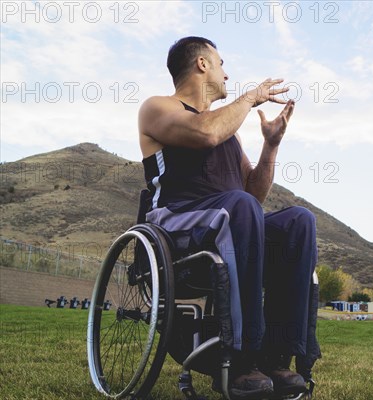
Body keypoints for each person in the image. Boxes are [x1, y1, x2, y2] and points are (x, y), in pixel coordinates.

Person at [138, 36, 317, 399]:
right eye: (221, 63)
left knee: (299, 221)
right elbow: (205, 133)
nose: (226, 72)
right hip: (177, 224)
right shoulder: (158, 108)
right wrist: (250, 98)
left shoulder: (228, 134)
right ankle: (241, 357)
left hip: (231, 221)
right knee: (236, 206)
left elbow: (254, 195)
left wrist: (271, 145)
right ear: (203, 64)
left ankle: (279, 353)